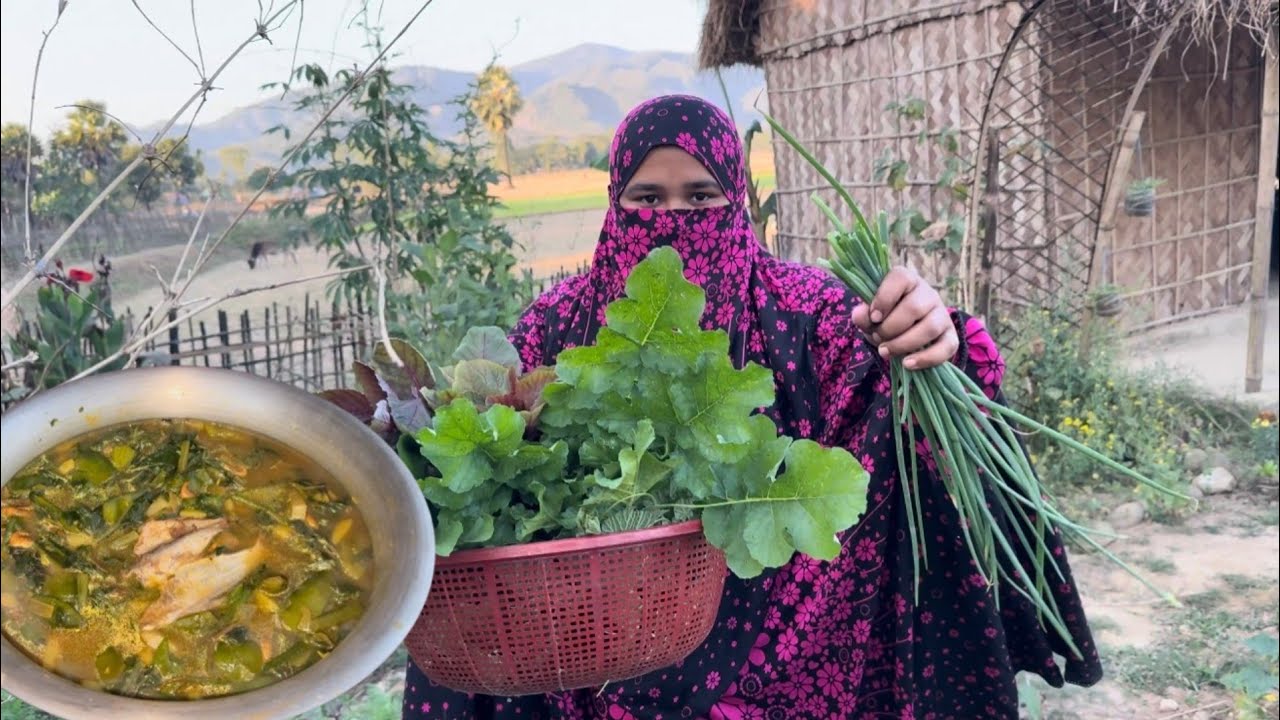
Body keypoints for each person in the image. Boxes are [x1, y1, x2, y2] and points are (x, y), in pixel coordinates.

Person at [402, 94, 1101, 719]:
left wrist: (933, 335)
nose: (672, 221)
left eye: (701, 198)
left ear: (737, 200)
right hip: (601, 661)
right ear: (615, 204)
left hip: (784, 658)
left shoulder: (810, 311)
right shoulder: (554, 327)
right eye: (646, 200)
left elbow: (905, 396)